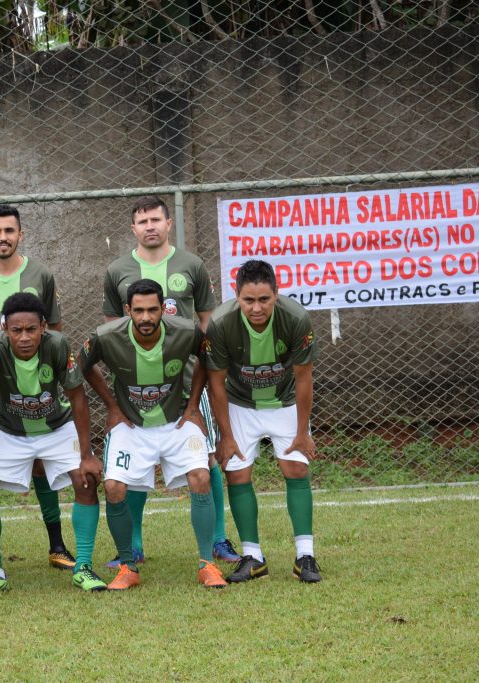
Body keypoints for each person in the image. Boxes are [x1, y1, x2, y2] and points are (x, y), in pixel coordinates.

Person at [101, 196, 241, 567]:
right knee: (133, 464)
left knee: (206, 457)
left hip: (189, 380)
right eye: (142, 221)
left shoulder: (192, 265)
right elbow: (113, 328)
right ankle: (133, 544)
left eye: (156, 219)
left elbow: (208, 320)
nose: (150, 226)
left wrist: (208, 365)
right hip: (139, 387)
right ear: (133, 228)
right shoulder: (117, 270)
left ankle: (218, 539)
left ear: (168, 224)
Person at [82, 280, 227, 590]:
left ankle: (207, 565)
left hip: (177, 421)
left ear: (163, 309)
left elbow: (207, 358)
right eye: (138, 310)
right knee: (113, 486)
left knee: (201, 476)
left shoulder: (186, 331)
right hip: (131, 424)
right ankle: (127, 566)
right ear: (127, 310)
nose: (146, 317)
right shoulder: (106, 336)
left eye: (152, 310)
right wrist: (112, 406)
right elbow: (80, 366)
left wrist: (193, 405)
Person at [0, 203, 75, 572]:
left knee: (41, 465)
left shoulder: (41, 274)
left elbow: (54, 329)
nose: (3, 237)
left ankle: (57, 544)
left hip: (37, 394)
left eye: (9, 230)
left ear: (20, 234)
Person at [0, 293, 104, 598]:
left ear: (43, 327)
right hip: (9, 428)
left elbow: (77, 396)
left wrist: (86, 454)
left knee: (86, 479)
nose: (25, 337)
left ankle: (83, 567)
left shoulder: (58, 345)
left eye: (31, 329)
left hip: (56, 426)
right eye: (17, 330)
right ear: (5, 329)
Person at [204, 259, 322, 583]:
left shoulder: (296, 319)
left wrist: (302, 431)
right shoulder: (221, 323)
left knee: (296, 468)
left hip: (285, 401)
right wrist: (226, 435)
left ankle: (305, 556)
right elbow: (216, 383)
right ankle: (253, 557)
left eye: (264, 300)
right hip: (240, 402)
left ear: (276, 294)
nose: (256, 308)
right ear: (237, 296)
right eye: (249, 300)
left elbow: (304, 378)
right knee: (237, 473)